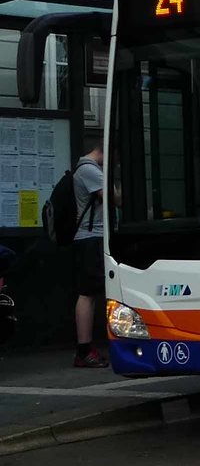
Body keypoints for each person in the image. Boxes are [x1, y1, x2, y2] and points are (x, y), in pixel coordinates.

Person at [73, 142, 107, 367]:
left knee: (92, 293)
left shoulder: (88, 169)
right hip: (90, 239)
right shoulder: (89, 170)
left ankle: (87, 348)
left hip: (93, 238)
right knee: (87, 294)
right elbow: (114, 197)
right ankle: (84, 350)